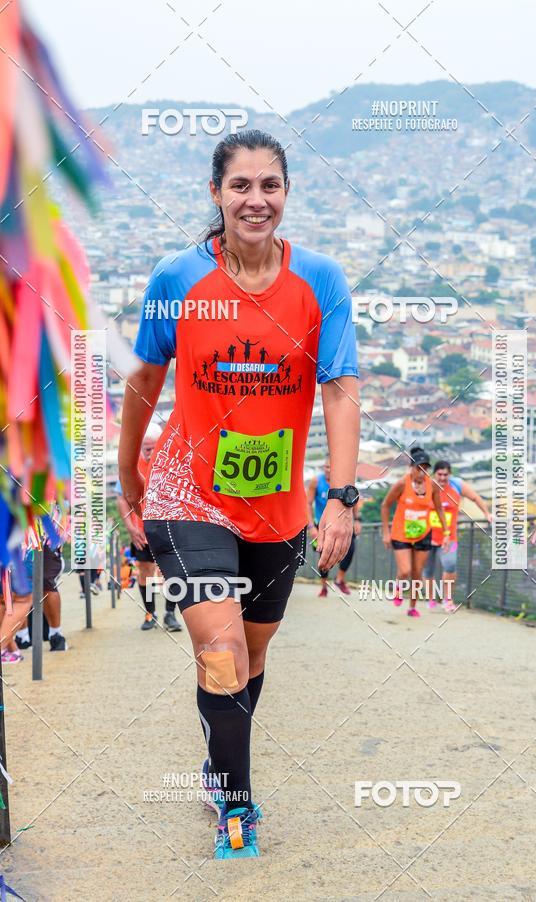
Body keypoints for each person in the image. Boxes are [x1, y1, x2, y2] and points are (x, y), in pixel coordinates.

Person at [118, 130, 360, 859]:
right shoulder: (177, 278)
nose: (256, 199)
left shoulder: (320, 281)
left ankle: (218, 762)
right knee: (219, 650)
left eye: (270, 186)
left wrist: (341, 497)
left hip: (278, 506)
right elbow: (143, 382)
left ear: (286, 193)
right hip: (187, 490)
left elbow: (341, 392)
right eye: (241, 186)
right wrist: (129, 472)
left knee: (250, 663)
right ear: (216, 194)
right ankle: (237, 805)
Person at [116, 424, 182, 632]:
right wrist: (130, 527)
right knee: (145, 571)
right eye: (147, 449)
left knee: (171, 572)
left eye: (155, 448)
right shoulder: (131, 465)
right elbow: (121, 497)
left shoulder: (169, 462)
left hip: (167, 528)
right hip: (142, 529)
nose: (152, 453)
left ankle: (170, 614)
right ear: (140, 448)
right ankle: (149, 613)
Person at [381, 447, 449, 617]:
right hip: (401, 533)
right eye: (419, 468)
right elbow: (385, 505)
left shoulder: (432, 485)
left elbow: (439, 509)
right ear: (411, 467)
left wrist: (446, 532)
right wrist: (386, 533)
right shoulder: (402, 484)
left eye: (426, 469)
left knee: (417, 573)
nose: (422, 472)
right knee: (405, 571)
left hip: (423, 533)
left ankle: (412, 607)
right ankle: (398, 587)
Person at [424, 460, 492, 613]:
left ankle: (447, 599)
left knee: (450, 565)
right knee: (428, 570)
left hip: (449, 537)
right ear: (434, 474)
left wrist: (486, 513)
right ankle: (430, 599)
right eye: (439, 474)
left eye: (445, 475)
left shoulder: (457, 485)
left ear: (450, 474)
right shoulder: (427, 485)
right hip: (427, 536)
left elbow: (475, 497)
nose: (442, 478)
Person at [306, 457, 361, 595]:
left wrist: (357, 520)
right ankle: (324, 586)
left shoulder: (344, 482)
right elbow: (307, 504)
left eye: (331, 467)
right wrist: (311, 526)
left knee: (350, 548)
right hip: (323, 524)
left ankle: (339, 579)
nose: (328, 470)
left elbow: (352, 501)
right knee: (324, 554)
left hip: (342, 521)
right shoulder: (316, 481)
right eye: (326, 467)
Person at [16, 542, 68, 651]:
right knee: (16, 582)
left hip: (45, 537)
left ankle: (56, 635)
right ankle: (22, 637)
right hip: (17, 533)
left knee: (46, 580)